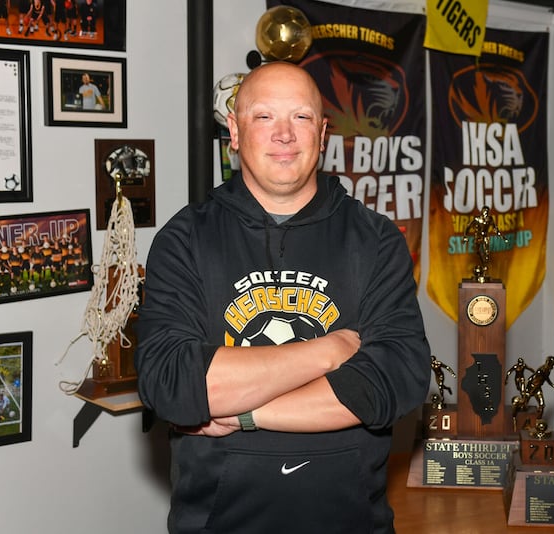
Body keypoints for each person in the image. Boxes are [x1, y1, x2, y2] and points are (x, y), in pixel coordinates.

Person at [134, 61, 431, 533]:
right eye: (264, 117)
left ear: (323, 134)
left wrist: (242, 412)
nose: (284, 135)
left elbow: (392, 381)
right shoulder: (185, 238)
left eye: (301, 117)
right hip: (217, 523)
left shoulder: (375, 240)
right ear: (234, 130)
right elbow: (172, 383)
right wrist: (329, 351)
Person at [462, 205, 507, 281]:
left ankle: (484, 268)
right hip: (478, 237)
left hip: (485, 236)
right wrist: (465, 236)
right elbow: (468, 226)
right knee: (478, 251)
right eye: (484, 211)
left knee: (486, 253)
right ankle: (481, 266)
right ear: (482, 212)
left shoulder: (489, 219)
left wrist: (502, 237)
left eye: (487, 212)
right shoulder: (477, 219)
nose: (485, 213)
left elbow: (495, 229)